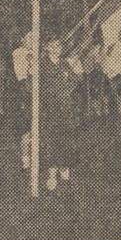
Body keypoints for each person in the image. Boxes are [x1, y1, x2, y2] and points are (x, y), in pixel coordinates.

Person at [40, 39, 80, 190]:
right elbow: (39, 86)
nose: (58, 48)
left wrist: (67, 87)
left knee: (66, 138)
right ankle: (51, 175)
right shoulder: (43, 64)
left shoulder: (64, 63)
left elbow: (76, 79)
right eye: (54, 45)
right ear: (48, 48)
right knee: (51, 140)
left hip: (65, 107)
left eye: (59, 45)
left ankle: (64, 168)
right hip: (50, 108)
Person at [12, 33, 33, 170]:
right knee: (26, 126)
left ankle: (35, 156)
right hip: (24, 89)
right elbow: (23, 71)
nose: (31, 41)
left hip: (35, 89)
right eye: (29, 38)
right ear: (22, 40)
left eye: (33, 38)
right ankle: (25, 160)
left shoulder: (35, 53)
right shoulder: (18, 52)